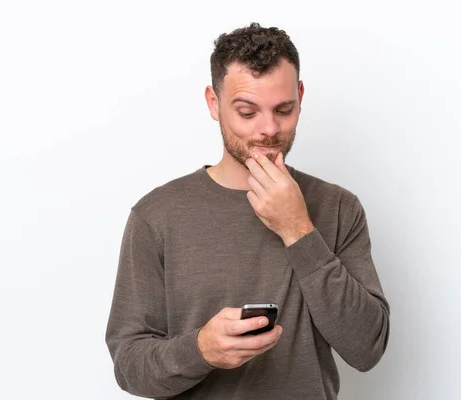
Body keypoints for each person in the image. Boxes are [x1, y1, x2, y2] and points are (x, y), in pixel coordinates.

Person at [105, 22, 390, 399]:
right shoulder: (156, 216)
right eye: (247, 111)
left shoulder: (338, 208)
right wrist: (201, 350)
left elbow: (367, 347)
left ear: (300, 97)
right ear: (213, 103)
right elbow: (129, 367)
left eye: (284, 109)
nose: (268, 129)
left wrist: (297, 230)